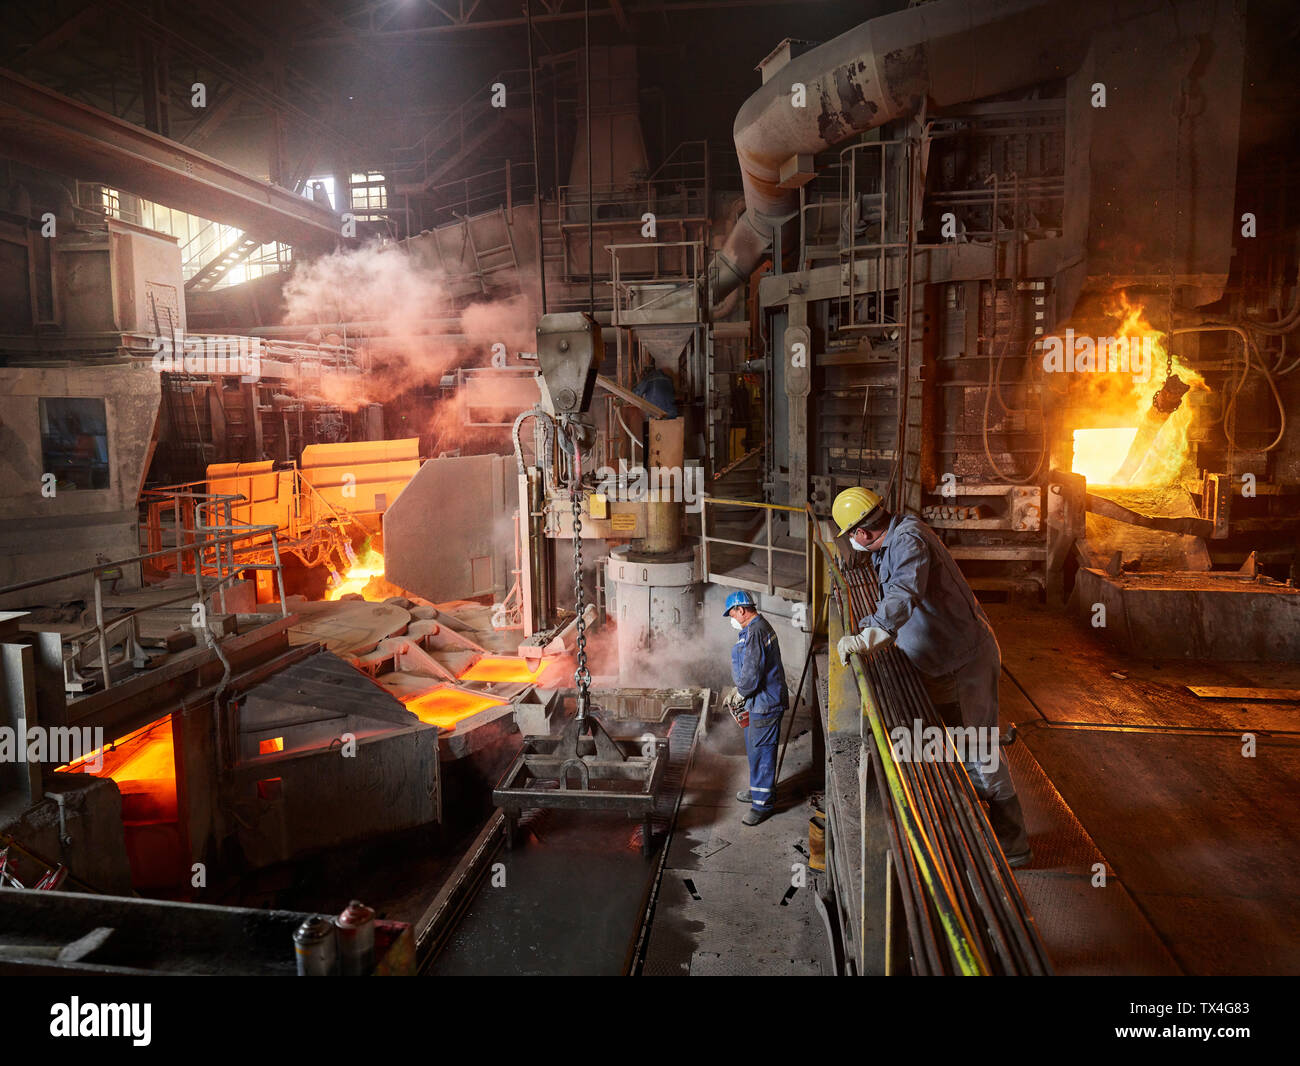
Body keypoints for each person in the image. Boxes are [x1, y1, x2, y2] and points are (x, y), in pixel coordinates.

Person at [831, 487, 1033, 868]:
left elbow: (902, 593)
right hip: (941, 661)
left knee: (979, 748)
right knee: (954, 745)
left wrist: (866, 636)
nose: (852, 544)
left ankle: (1014, 844)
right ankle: (972, 822)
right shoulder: (892, 539)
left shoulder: (908, 540)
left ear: (863, 532)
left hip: (963, 663)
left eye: (851, 536)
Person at [722, 589, 789, 826]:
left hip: (765, 704)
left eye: (732, 613)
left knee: (762, 753)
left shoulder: (755, 631)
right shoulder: (754, 629)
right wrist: (738, 691)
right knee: (754, 748)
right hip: (757, 702)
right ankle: (758, 789)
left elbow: (752, 672)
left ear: (741, 610)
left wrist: (740, 692)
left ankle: (762, 806)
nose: (732, 618)